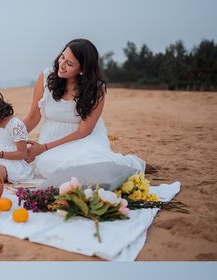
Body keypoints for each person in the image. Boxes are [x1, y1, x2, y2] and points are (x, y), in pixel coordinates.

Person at [22, 39, 145, 179]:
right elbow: (33, 117)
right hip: (52, 138)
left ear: (82, 70)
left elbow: (83, 131)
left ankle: (129, 163)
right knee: (49, 166)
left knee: (90, 166)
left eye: (69, 63)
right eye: (62, 57)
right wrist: (7, 136)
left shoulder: (96, 89)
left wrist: (43, 148)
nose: (61, 65)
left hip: (84, 138)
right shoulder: (46, 77)